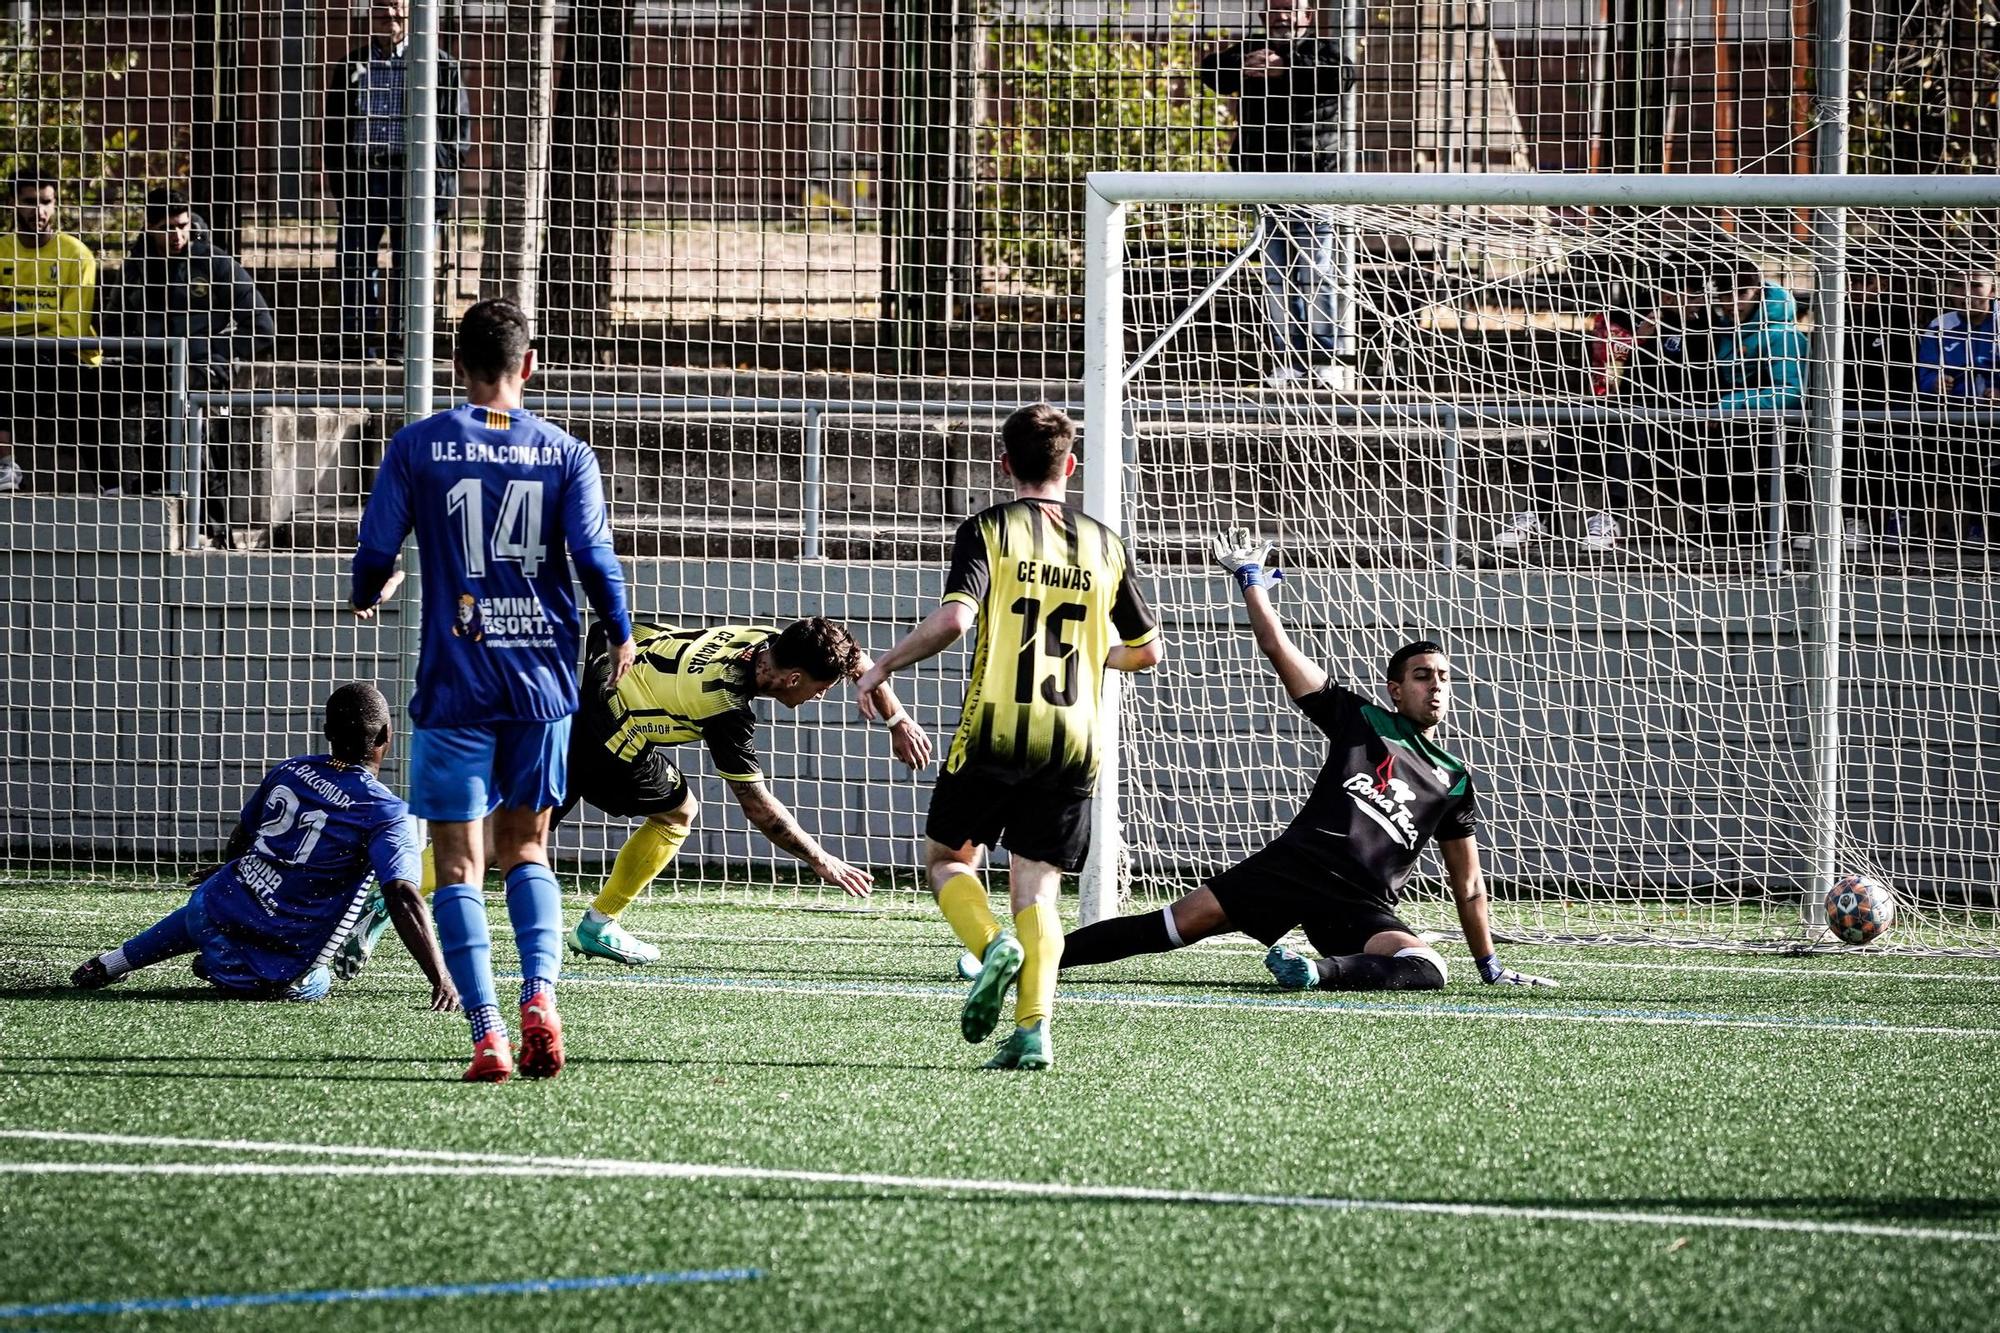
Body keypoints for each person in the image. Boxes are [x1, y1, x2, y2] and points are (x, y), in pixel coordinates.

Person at [1059, 529, 1556, 994]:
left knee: (1428, 968)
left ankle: (1313, 972)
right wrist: (1252, 582)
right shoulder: (1359, 719)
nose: (1437, 686)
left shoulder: (1452, 779)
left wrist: (1489, 964)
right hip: (1293, 868)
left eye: (1444, 676)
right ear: (1396, 690)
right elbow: (1278, 647)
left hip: (1359, 902)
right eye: (1423, 676)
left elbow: (1467, 883)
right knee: (1170, 926)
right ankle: (1035, 959)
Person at [349, 297, 635, 1083]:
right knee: (529, 849)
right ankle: (539, 995)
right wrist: (622, 632)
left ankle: (487, 1036)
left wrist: (369, 587)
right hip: (543, 680)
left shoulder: (417, 445)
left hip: (457, 682)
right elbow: (594, 559)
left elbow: (375, 550)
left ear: (456, 367)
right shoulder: (566, 452)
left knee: (459, 864)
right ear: (529, 365)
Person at [856, 404, 1162, 1071]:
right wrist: (1093, 654)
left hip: (995, 732)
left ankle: (990, 941)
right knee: (1039, 891)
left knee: (946, 861)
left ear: (1005, 464)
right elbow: (1147, 651)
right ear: (1069, 466)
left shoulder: (988, 530)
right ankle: (1033, 1030)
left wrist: (883, 665)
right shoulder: (1105, 545)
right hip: (1074, 743)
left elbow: (956, 620)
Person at [558, 616, 931, 964]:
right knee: (677, 814)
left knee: (522, 825)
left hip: (610, 665)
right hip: (608, 725)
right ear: (795, 679)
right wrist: (821, 859)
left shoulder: (771, 641)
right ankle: (599, 924)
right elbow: (757, 806)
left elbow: (858, 660)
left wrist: (898, 720)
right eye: (821, 689)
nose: (820, 698)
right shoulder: (725, 705)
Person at [69, 684, 457, 1010]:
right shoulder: (387, 811)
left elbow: (243, 835)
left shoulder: (292, 769)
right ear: (387, 736)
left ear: (326, 731)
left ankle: (111, 962)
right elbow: (402, 894)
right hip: (270, 961)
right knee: (314, 983)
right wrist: (440, 978)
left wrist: (234, 870)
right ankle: (220, 965)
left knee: (211, 901)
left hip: (215, 906)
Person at [1197, 0, 1351, 387]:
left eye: (1291, 8)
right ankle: (1288, 359)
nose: (1283, 15)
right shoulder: (1250, 48)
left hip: (1312, 177)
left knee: (1315, 270)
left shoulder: (1323, 50)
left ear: (1307, 16)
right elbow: (1213, 72)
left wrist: (1283, 70)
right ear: (1264, 14)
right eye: (1276, 8)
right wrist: (1245, 67)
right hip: (1262, 178)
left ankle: (1324, 360)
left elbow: (1340, 76)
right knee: (1277, 275)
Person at [96, 187, 276, 494]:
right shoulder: (135, 268)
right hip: (148, 365)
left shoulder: (215, 263)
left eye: (183, 226)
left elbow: (262, 327)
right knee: (89, 390)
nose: (177, 235)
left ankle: (177, 494)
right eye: (167, 228)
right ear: (150, 227)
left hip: (201, 367)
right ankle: (112, 485)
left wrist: (207, 350)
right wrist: (135, 349)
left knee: (176, 400)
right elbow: (112, 329)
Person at [322, 0, 469, 358]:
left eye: (396, 9)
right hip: (364, 174)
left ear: (412, 12)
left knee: (412, 263)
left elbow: (458, 130)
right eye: (380, 9)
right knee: (355, 262)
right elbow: (333, 129)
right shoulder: (351, 66)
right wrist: (341, 178)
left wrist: (439, 172)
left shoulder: (439, 64)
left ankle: (406, 346)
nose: (388, 17)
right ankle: (357, 344)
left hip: (414, 177)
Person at [0, 169, 99, 492]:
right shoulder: (2, 251)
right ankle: (5, 467)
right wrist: (45, 318)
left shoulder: (76, 255)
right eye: (30, 202)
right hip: (13, 353)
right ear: (11, 204)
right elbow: (58, 319)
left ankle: (108, 481)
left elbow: (72, 326)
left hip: (67, 355)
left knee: (75, 390)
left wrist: (15, 322)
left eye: (46, 202)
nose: (39, 211)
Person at [1915, 268, 2000, 544]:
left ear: (1993, 290)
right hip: (1957, 415)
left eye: (1975, 286)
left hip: (1994, 416)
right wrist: (1935, 383)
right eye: (1956, 286)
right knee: (1962, 465)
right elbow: (1925, 373)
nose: (1965, 294)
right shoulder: (1941, 325)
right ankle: (1973, 526)